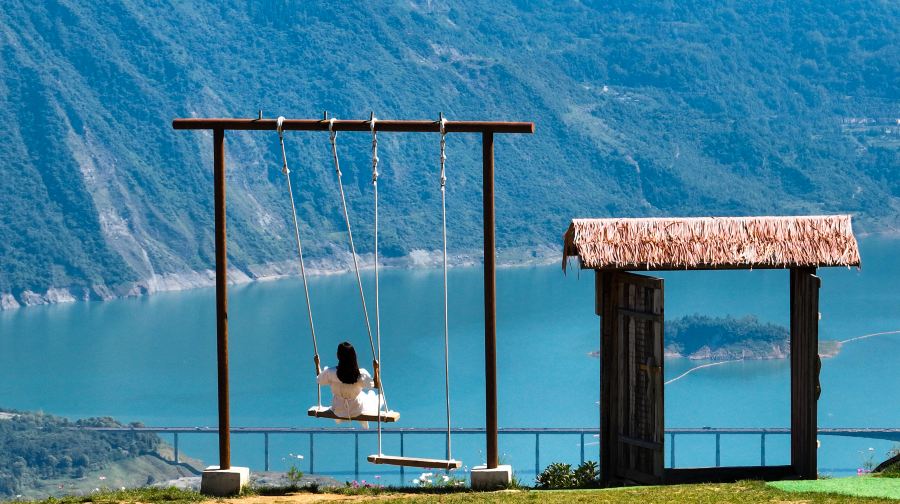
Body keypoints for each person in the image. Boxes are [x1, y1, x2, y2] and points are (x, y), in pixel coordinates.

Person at [316, 341, 381, 428]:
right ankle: (365, 426)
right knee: (370, 398)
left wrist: (317, 364)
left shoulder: (330, 372)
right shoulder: (360, 374)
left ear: (338, 356)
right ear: (354, 356)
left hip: (338, 410)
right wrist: (376, 369)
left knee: (366, 397)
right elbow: (376, 385)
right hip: (356, 410)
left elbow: (319, 379)